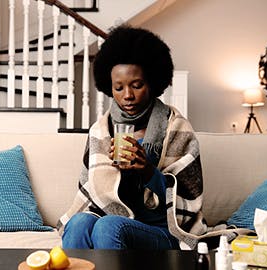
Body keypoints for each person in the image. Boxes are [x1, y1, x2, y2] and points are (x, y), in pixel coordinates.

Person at [57, 25, 207, 250]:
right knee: (79, 222)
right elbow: (91, 192)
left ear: (153, 83)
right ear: (109, 87)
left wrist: (147, 170)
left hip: (164, 231)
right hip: (112, 218)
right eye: (118, 87)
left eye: (137, 85)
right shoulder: (101, 130)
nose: (127, 95)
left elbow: (188, 199)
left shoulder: (177, 129)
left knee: (108, 226)